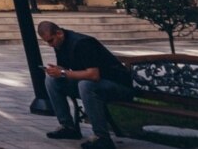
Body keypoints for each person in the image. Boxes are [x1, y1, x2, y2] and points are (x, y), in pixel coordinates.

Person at [39, 20, 133, 149]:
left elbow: (93, 75)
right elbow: (65, 70)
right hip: (95, 85)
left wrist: (62, 72)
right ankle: (68, 127)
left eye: (51, 40)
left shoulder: (83, 43)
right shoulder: (60, 45)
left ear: (59, 33)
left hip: (118, 86)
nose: (50, 45)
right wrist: (56, 71)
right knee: (52, 80)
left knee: (86, 85)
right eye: (47, 42)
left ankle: (102, 137)